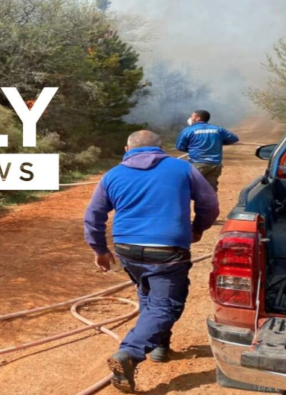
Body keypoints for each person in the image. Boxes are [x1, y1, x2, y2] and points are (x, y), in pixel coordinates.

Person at [83, 130, 219, 393]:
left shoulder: (112, 174)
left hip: (127, 249)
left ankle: (159, 346)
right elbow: (209, 204)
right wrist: (198, 228)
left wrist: (100, 249)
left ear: (127, 149)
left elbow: (93, 215)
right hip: (167, 250)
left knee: (149, 295)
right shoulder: (183, 168)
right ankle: (130, 353)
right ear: (160, 147)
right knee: (166, 304)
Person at [175, 109, 239, 192]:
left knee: (186, 188)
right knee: (210, 192)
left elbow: (180, 147)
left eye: (192, 116)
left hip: (197, 163)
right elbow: (234, 138)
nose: (190, 118)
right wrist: (219, 142)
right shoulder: (218, 129)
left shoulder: (188, 130)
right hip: (215, 165)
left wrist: (192, 148)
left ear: (198, 118)